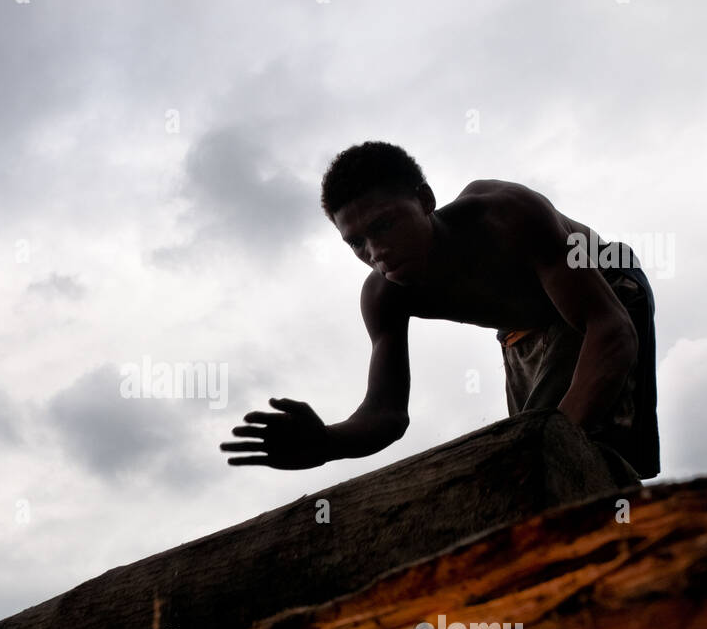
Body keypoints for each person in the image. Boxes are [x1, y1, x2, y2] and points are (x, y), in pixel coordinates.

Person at [221, 141, 659, 482]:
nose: (376, 252)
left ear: (425, 200)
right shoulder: (383, 296)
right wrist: (328, 442)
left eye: (384, 225)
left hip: (604, 292)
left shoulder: (506, 214)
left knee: (569, 451)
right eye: (356, 242)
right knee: (531, 455)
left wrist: (555, 445)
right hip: (523, 334)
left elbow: (610, 329)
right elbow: (385, 414)